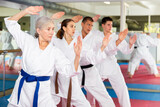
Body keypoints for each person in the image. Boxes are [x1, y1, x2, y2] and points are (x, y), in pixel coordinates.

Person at [4, 6, 82, 107]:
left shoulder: (54, 51)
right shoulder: (28, 41)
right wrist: (25, 11)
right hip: (23, 90)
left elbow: (68, 70)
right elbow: (11, 24)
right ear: (38, 30)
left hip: (42, 92)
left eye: (53, 29)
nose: (51, 32)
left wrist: (77, 56)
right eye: (48, 29)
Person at [73, 16, 130, 107]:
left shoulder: (95, 37)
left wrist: (118, 40)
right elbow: (64, 33)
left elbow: (108, 47)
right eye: (88, 25)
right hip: (78, 70)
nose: (90, 27)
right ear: (82, 24)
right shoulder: (77, 35)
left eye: (91, 25)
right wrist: (72, 21)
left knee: (106, 94)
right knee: (71, 94)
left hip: (94, 68)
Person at [86, 16, 137, 107]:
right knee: (91, 90)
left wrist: (130, 44)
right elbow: (106, 50)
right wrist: (92, 21)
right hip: (99, 66)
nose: (110, 27)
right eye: (108, 24)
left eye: (111, 25)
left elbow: (126, 51)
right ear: (103, 25)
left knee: (122, 88)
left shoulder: (116, 37)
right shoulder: (96, 35)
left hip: (112, 65)